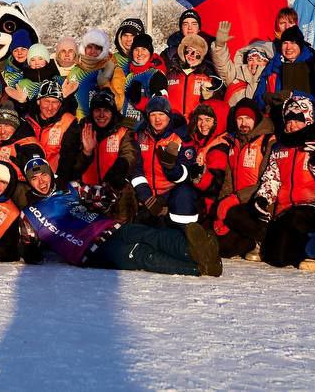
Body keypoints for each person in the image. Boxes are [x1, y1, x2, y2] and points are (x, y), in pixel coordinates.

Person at [18, 157, 221, 276]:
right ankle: (198, 268)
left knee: (151, 235)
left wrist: (114, 184)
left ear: (49, 174)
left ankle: (197, 249)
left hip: (109, 228)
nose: (41, 181)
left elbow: (103, 197)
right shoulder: (29, 214)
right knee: (141, 254)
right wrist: (33, 249)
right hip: (89, 250)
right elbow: (29, 250)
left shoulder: (70, 189)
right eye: (34, 178)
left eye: (43, 175)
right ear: (29, 182)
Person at [251, 93, 315, 272]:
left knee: (296, 220)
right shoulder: (279, 147)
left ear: (308, 120)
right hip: (284, 210)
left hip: (311, 208)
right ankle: (298, 251)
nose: (292, 125)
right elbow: (272, 178)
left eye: (297, 120)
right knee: (276, 258)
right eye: (289, 120)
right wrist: (263, 198)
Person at [212, 100, 276, 259]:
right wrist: (221, 206)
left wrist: (234, 199)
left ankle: (266, 239)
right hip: (239, 207)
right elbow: (228, 181)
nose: (243, 123)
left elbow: (267, 182)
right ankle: (250, 241)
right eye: (240, 119)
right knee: (224, 249)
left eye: (248, 118)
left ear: (256, 119)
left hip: (260, 205)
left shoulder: (268, 141)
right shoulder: (234, 142)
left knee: (233, 213)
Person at [130, 96, 198, 227]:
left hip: (170, 191)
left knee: (185, 194)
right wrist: (147, 198)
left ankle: (185, 232)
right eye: (153, 114)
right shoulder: (139, 135)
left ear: (169, 116)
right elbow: (136, 169)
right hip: (145, 192)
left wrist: (172, 168)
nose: (157, 119)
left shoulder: (180, 137)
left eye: (161, 114)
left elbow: (188, 174)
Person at [254, 26, 315, 109]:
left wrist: (292, 94)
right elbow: (259, 96)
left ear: (300, 45)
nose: (288, 47)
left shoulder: (311, 64)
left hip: (308, 115)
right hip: (276, 114)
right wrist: (267, 101)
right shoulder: (273, 65)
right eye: (285, 43)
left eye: (293, 42)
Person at [74, 89, 136, 189]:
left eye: (106, 110)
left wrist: (116, 173)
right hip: (86, 192)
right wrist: (86, 153)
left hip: (114, 191)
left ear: (113, 113)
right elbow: (73, 167)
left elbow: (129, 154)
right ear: (92, 112)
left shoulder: (124, 130)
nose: (101, 115)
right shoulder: (82, 129)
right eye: (97, 110)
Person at [27, 79, 82, 184]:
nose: (50, 107)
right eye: (46, 101)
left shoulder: (68, 122)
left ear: (60, 104)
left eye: (55, 102)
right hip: (30, 180)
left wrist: (59, 182)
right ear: (38, 101)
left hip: (56, 180)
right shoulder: (28, 121)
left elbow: (69, 158)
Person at [210, 20, 273, 106]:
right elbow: (222, 66)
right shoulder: (237, 75)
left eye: (259, 60)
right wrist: (219, 46)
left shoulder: (271, 81)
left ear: (267, 62)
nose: (254, 64)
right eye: (250, 59)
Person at [114, 33, 167, 129]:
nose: (139, 53)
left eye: (144, 49)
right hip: (127, 128)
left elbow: (161, 106)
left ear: (150, 52)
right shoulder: (130, 76)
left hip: (145, 131)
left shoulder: (155, 75)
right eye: (136, 50)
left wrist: (140, 102)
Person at [163, 34, 220, 119]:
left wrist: (209, 93)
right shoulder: (170, 73)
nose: (192, 55)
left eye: (197, 53)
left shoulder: (204, 76)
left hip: (193, 125)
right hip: (172, 123)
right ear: (183, 50)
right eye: (189, 51)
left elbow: (213, 101)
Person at [0, 105, 43, 174]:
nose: (2, 131)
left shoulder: (28, 147)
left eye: (7, 125)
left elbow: (38, 176)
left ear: (16, 126)